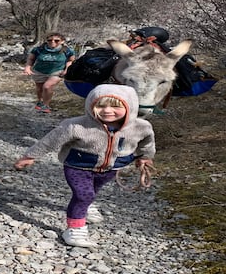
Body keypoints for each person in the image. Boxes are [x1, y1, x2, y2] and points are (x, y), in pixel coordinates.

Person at [14, 84, 155, 248]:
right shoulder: (77, 125)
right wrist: (31, 156)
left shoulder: (141, 127)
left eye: (116, 106)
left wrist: (145, 157)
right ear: (90, 105)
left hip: (111, 168)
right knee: (84, 195)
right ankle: (75, 229)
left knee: (92, 191)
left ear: (130, 107)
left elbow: (147, 143)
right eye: (100, 105)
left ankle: (86, 206)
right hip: (78, 166)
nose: (107, 110)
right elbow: (51, 141)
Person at [23, 33, 76, 113]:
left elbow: (70, 60)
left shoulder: (67, 50)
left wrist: (67, 69)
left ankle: (46, 105)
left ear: (62, 41)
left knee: (47, 86)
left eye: (56, 40)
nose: (53, 42)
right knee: (39, 88)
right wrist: (27, 67)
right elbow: (31, 59)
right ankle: (40, 102)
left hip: (57, 71)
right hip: (39, 71)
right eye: (50, 40)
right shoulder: (39, 49)